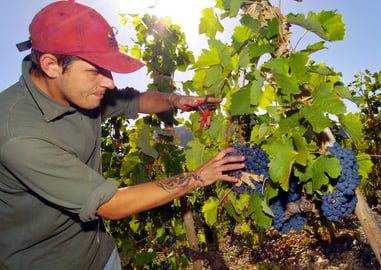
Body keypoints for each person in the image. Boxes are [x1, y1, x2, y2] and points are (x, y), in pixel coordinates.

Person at [0, 1, 245, 269]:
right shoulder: (19, 135)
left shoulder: (76, 90)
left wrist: (177, 100)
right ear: (51, 65)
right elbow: (111, 204)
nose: (109, 82)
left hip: (101, 254)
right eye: (95, 70)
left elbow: (135, 101)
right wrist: (198, 177)